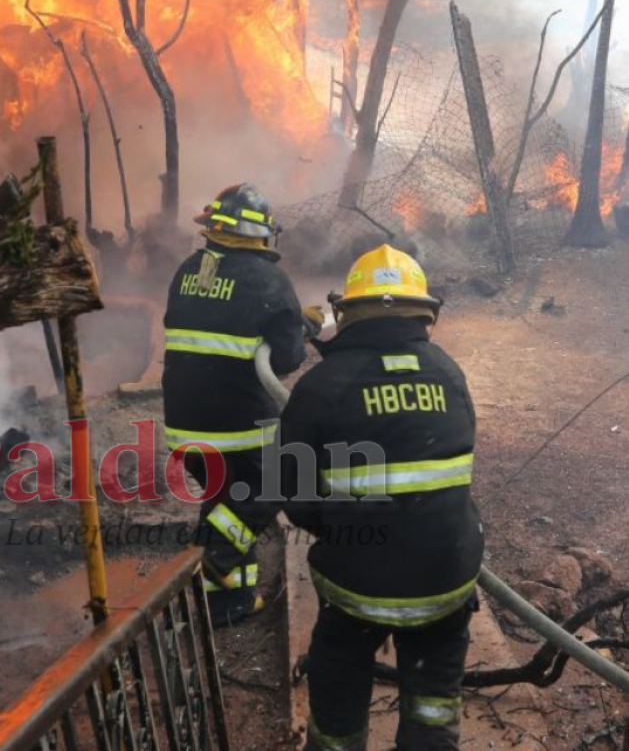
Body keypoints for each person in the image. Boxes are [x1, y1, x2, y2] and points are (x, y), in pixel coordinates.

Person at [280, 244, 484, 751]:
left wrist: (348, 528)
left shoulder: (321, 385)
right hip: (446, 580)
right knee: (435, 700)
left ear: (349, 311)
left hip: (357, 587)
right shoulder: (450, 374)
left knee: (339, 669)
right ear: (423, 313)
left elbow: (294, 498)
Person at [163, 183, 320, 626]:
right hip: (238, 427)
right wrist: (299, 326)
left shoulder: (188, 270)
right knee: (286, 479)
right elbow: (286, 359)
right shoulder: (268, 278)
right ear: (259, 233)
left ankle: (228, 603)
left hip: (184, 428)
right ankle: (217, 552)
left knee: (224, 503)